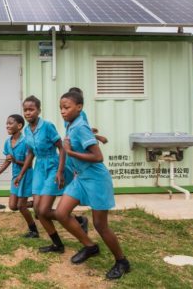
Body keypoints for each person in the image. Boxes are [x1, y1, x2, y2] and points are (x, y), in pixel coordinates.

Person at [53, 91, 130, 280]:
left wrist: (71, 153)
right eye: (61, 107)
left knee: (100, 225)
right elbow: (82, 135)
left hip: (96, 178)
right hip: (81, 178)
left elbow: (98, 157)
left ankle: (122, 261)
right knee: (61, 213)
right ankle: (90, 246)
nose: (63, 111)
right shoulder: (71, 123)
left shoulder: (79, 126)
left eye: (67, 107)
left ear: (79, 107)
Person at [15, 96, 86, 254]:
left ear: (38, 110)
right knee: (39, 212)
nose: (28, 113)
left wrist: (60, 171)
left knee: (44, 209)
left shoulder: (47, 126)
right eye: (25, 110)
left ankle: (74, 224)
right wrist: (21, 173)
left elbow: (61, 149)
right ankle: (59, 243)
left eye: (31, 109)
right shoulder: (26, 130)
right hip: (39, 167)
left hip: (53, 166)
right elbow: (31, 153)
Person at [0, 114, 38, 238]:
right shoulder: (8, 142)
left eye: (10, 123)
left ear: (19, 126)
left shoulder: (26, 141)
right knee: (12, 206)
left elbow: (29, 163)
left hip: (26, 176)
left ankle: (33, 230)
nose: (7, 126)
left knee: (21, 206)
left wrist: (15, 161)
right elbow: (7, 161)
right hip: (15, 178)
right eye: (7, 123)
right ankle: (32, 204)